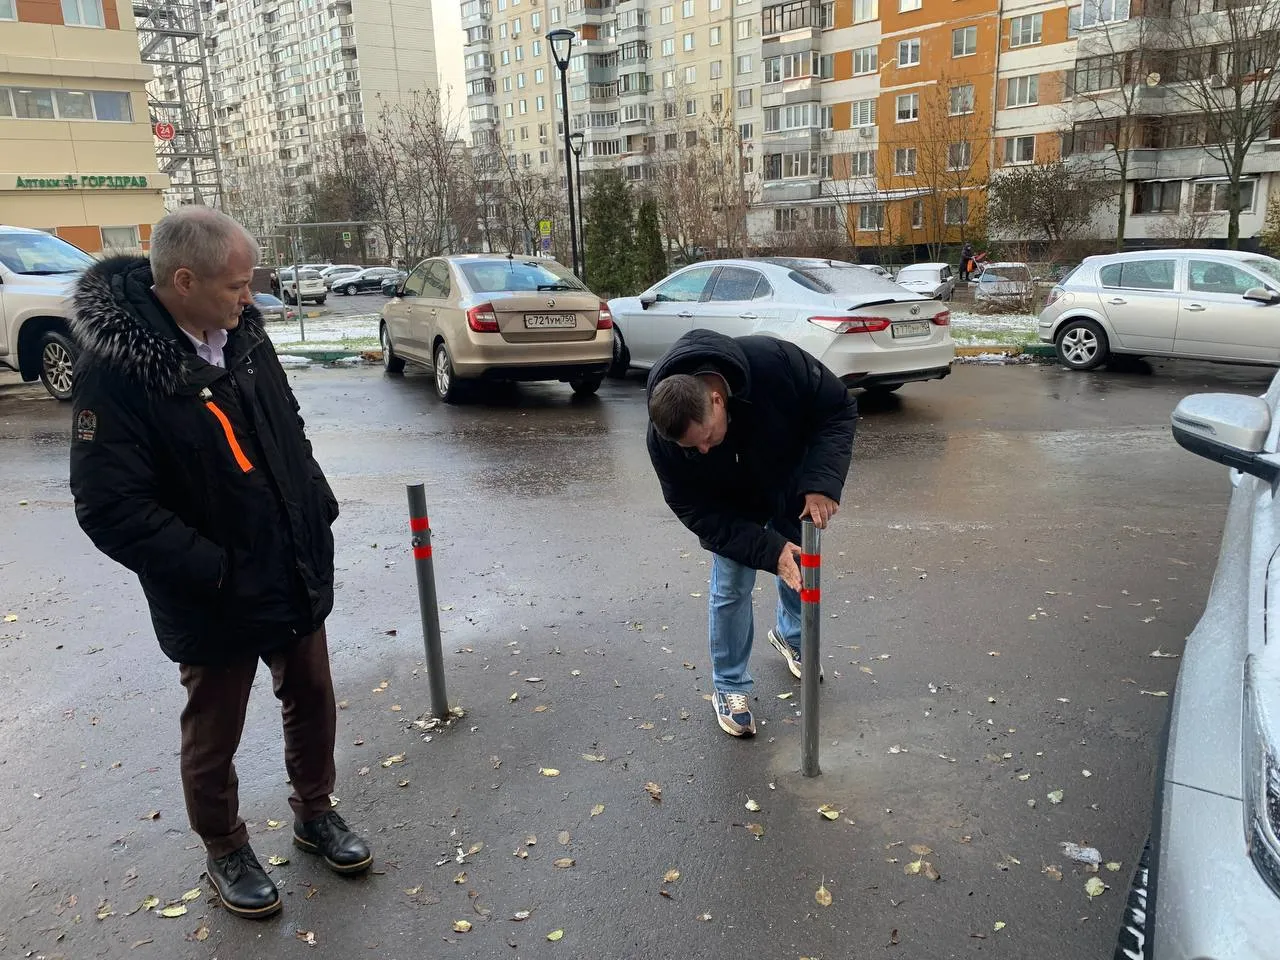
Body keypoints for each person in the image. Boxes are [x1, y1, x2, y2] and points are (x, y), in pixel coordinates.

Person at [68, 207, 370, 920]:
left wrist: (316, 503)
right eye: (236, 285)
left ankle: (315, 811)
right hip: (212, 590)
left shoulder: (243, 332)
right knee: (215, 729)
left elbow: (286, 426)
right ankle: (225, 846)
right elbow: (110, 507)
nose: (250, 298)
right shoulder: (116, 371)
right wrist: (213, 569)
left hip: (290, 561)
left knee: (312, 696)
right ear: (183, 280)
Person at [647, 330, 858, 738]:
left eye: (707, 437)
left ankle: (792, 636)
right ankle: (729, 686)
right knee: (731, 587)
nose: (704, 450)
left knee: (797, 563)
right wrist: (764, 548)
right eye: (695, 448)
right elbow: (695, 511)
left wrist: (821, 482)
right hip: (729, 508)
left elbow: (837, 409)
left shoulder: (774, 363)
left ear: (716, 399)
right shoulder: (666, 438)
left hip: (787, 483)